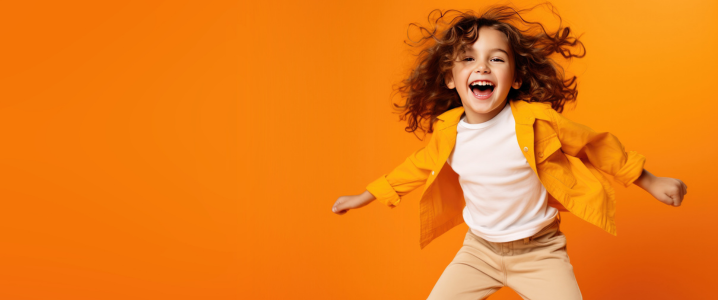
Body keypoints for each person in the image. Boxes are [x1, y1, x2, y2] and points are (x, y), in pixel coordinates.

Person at [331, 3, 687, 299]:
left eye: (496, 59)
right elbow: (413, 168)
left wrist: (650, 180)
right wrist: (364, 196)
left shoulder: (538, 122)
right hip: (479, 251)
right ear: (451, 78)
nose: (482, 67)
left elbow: (596, 146)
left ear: (516, 78)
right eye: (468, 59)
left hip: (540, 253)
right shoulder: (448, 133)